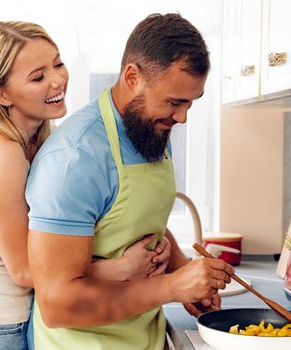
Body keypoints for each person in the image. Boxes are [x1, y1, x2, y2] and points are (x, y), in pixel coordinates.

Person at [0, 21, 172, 350]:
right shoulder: (2, 154)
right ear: (0, 94)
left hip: (14, 324)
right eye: (38, 76)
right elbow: (27, 271)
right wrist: (120, 268)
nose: (58, 80)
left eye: (57, 64)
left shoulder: (44, 142)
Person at [26, 13, 235, 350]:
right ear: (133, 76)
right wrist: (170, 287)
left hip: (144, 338)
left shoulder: (150, 129)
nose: (182, 117)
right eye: (174, 102)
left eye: (191, 103)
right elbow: (58, 304)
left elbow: (139, 220)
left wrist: (186, 274)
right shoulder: (74, 159)